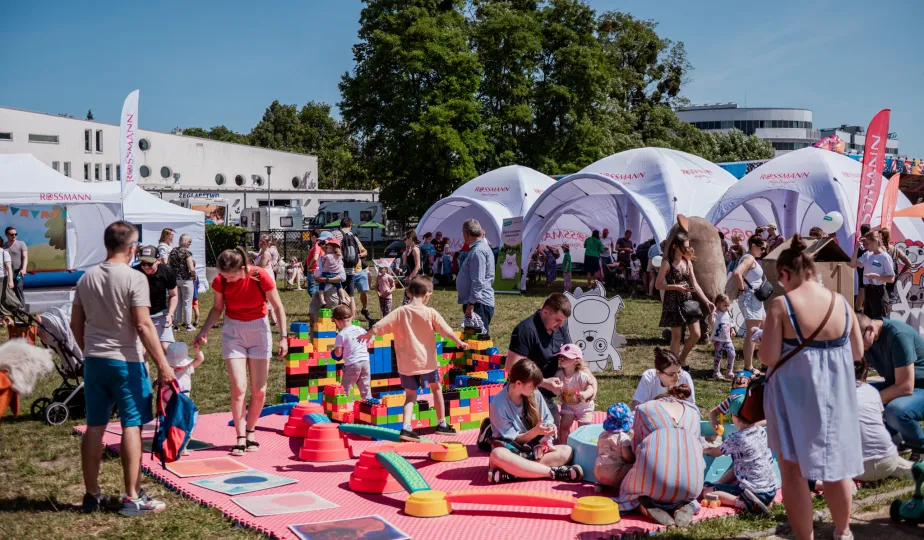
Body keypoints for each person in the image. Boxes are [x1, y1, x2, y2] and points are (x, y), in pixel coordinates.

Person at [758, 234, 863, 540]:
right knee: (836, 467)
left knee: (792, 470)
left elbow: (767, 357)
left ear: (786, 273)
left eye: (781, 279)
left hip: (795, 399)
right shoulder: (842, 303)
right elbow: (857, 352)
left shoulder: (781, 305)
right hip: (836, 396)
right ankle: (843, 532)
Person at [71, 221, 174, 516]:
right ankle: (132, 496)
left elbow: (75, 324)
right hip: (126, 362)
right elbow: (143, 324)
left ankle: (92, 494)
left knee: (95, 425)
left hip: (94, 361)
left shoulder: (86, 278)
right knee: (132, 424)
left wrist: (88, 350)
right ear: (131, 248)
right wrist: (163, 365)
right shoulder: (134, 278)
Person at [195, 247, 288, 456]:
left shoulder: (259, 276)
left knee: (259, 390)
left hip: (259, 331)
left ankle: (251, 430)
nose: (228, 279)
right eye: (224, 275)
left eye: (232, 275)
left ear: (244, 268)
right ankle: (240, 437)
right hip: (233, 331)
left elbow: (278, 306)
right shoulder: (221, 281)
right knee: (238, 387)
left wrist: (283, 337)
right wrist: (204, 330)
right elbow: (218, 308)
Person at [359, 276, 467, 441]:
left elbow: (380, 325)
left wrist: (368, 334)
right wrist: (459, 342)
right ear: (427, 295)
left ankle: (406, 427)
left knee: (410, 396)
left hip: (406, 363)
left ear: (408, 293)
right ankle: (442, 423)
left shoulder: (400, 312)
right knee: (436, 389)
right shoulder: (430, 312)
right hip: (427, 362)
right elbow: (446, 331)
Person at [809, 358, 914, 491]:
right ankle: (910, 469)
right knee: (885, 456)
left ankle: (846, 486)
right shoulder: (872, 391)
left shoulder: (828, 397)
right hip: (888, 460)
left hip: (855, 468)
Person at [616, 385, 704, 526]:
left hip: (655, 482)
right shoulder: (694, 412)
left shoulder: (644, 409)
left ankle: (642, 505)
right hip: (693, 486)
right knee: (685, 487)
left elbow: (635, 449)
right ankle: (685, 505)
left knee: (627, 491)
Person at [486, 359, 583, 485]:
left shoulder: (534, 393)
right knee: (498, 454)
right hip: (511, 452)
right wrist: (536, 432)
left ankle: (512, 473)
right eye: (532, 386)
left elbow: (547, 420)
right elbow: (513, 440)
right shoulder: (499, 404)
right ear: (519, 383)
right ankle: (553, 472)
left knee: (566, 451)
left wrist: (545, 438)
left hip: (532, 452)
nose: (535, 388)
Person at [856, 312, 924, 462]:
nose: (858, 346)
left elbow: (906, 386)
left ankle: (920, 445)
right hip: (898, 384)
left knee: (895, 411)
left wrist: (869, 401)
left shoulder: (898, 335)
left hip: (918, 387)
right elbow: (859, 380)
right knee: (853, 396)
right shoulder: (867, 340)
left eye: (859, 341)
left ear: (870, 329)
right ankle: (897, 439)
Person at [702, 395, 780, 515]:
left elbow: (715, 452)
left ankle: (745, 503)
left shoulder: (736, 438)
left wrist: (704, 449)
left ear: (736, 418)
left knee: (707, 492)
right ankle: (719, 484)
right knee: (739, 466)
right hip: (771, 489)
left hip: (754, 492)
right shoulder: (760, 430)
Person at [505, 293, 572, 426]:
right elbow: (512, 368)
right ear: (545, 312)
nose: (560, 324)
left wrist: (589, 379)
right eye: (557, 320)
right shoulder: (526, 330)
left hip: (545, 395)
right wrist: (545, 382)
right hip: (523, 394)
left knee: (554, 432)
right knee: (533, 436)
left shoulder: (560, 330)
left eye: (563, 321)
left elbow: (573, 357)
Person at [656, 232, 714, 366]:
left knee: (696, 334)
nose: (687, 250)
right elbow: (658, 285)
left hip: (688, 301)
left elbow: (695, 284)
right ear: (675, 246)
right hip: (673, 301)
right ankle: (675, 366)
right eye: (685, 247)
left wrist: (706, 301)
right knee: (676, 337)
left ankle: (682, 358)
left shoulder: (687, 262)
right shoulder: (667, 263)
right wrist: (676, 287)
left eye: (688, 247)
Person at [732, 234, 768, 373]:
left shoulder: (750, 258)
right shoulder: (749, 258)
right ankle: (748, 366)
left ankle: (764, 362)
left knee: (763, 329)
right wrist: (742, 289)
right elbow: (737, 273)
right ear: (753, 245)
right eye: (762, 248)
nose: (763, 251)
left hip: (755, 299)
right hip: (750, 298)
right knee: (753, 333)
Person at [164, 342, 205, 456]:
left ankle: (182, 446)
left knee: (184, 425)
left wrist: (197, 350)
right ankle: (169, 445)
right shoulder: (166, 371)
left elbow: (200, 359)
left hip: (183, 405)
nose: (178, 366)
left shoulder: (187, 368)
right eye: (175, 364)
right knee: (169, 425)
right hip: (168, 405)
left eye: (180, 363)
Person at [135, 246, 178, 353]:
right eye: (143, 263)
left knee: (168, 349)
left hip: (160, 314)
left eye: (149, 264)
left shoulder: (167, 272)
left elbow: (174, 295)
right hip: (140, 316)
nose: (145, 267)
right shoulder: (134, 272)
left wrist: (170, 314)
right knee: (142, 352)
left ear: (158, 260)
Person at [456, 218, 496, 335]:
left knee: (479, 341)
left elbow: (478, 280)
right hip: (478, 302)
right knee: (474, 341)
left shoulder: (478, 251)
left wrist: (471, 304)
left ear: (467, 234)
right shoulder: (480, 249)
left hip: (479, 303)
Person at [553, 344, 597, 444]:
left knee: (584, 430)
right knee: (563, 428)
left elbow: (590, 387)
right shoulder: (559, 374)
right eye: (560, 357)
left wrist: (585, 394)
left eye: (566, 357)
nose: (562, 359)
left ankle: (583, 448)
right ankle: (563, 446)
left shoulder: (581, 375)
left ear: (576, 360)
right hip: (568, 405)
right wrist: (556, 389)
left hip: (584, 407)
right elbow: (555, 389)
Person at [631, 347, 696, 408]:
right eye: (672, 374)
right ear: (658, 372)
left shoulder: (685, 377)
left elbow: (691, 406)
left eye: (679, 372)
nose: (677, 377)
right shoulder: (649, 376)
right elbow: (637, 403)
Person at [850, 230, 895, 319]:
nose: (866, 246)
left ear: (875, 241)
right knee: (868, 321)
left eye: (868, 244)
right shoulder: (867, 254)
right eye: (864, 244)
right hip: (868, 291)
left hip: (879, 292)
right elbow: (853, 264)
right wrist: (856, 248)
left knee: (878, 322)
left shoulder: (884, 257)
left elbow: (891, 278)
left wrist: (876, 276)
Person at [332, 305, 371, 400]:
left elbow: (338, 354)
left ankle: (341, 408)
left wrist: (333, 353)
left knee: (345, 390)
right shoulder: (361, 329)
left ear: (338, 321)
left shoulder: (341, 335)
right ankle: (370, 407)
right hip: (365, 362)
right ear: (351, 317)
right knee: (365, 389)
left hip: (352, 364)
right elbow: (369, 343)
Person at [594, 403, 635, 493]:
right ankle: (623, 486)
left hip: (598, 472)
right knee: (633, 465)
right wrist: (634, 458)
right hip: (614, 474)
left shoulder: (602, 435)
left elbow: (599, 450)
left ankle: (600, 484)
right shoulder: (623, 437)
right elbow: (627, 456)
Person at [168, 233, 197, 331]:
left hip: (175, 279)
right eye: (189, 242)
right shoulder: (187, 253)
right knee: (187, 302)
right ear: (185, 241)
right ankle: (188, 324)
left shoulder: (172, 251)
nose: (190, 244)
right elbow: (191, 268)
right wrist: (194, 275)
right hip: (186, 280)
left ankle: (175, 324)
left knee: (177, 302)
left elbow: (168, 264)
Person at [336, 217, 368, 306]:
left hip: (340, 269)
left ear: (340, 225)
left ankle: (340, 313)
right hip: (351, 269)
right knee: (351, 296)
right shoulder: (354, 237)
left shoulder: (336, 234)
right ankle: (351, 316)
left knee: (339, 292)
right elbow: (361, 250)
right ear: (351, 225)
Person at [253, 235, 281, 326]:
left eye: (263, 241)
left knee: (266, 298)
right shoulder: (262, 251)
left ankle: (270, 319)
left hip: (266, 278)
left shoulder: (266, 254)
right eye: (260, 240)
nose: (260, 243)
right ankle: (273, 319)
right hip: (263, 277)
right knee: (268, 298)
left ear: (267, 243)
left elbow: (261, 268)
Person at [880, 229, 911, 307]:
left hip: (881, 279)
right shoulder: (896, 250)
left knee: (880, 305)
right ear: (889, 237)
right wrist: (900, 275)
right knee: (890, 305)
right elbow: (909, 263)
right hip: (893, 279)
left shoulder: (879, 250)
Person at [317, 238, 351, 308]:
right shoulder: (339, 257)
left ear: (332, 249)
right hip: (335, 274)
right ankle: (343, 299)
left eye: (327, 248)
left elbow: (321, 267)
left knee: (321, 289)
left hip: (325, 274)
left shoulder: (326, 256)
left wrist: (326, 279)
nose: (326, 249)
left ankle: (322, 301)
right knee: (340, 287)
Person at [710, 294, 736, 380]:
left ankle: (729, 372)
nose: (727, 307)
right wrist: (711, 313)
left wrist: (732, 330)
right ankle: (716, 372)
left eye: (728, 305)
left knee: (732, 354)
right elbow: (710, 322)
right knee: (718, 355)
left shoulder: (727, 313)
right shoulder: (716, 314)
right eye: (725, 305)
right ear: (718, 304)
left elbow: (730, 323)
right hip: (718, 340)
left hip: (727, 339)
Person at [4, 226, 27, 304]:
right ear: (6, 235)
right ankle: (10, 310)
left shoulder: (21, 244)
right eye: (11, 234)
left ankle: (22, 310)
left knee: (18, 288)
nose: (14, 236)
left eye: (15, 234)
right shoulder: (4, 246)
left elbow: (25, 257)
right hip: (6, 273)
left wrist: (23, 269)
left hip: (18, 273)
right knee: (8, 292)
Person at [401, 231, 422, 306]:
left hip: (414, 277)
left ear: (410, 238)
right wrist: (406, 249)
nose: (404, 241)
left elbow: (418, 266)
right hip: (409, 276)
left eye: (405, 239)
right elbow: (404, 263)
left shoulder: (416, 249)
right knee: (407, 299)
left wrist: (411, 277)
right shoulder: (410, 250)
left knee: (412, 299)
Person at [854, 223, 871, 311]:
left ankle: (858, 307)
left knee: (862, 286)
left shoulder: (859, 240)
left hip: (860, 265)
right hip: (863, 265)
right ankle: (858, 307)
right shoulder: (864, 241)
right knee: (863, 287)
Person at [304, 231, 325, 297]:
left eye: (311, 237)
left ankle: (317, 302)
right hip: (317, 269)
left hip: (313, 270)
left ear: (314, 236)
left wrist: (309, 266)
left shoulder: (317, 244)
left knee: (311, 289)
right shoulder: (321, 244)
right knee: (317, 288)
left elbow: (315, 257)